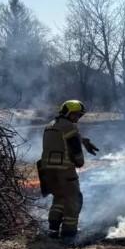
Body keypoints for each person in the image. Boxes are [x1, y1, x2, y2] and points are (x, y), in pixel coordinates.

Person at [38, 100, 99, 239]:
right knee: (74, 199)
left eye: (79, 115)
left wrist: (83, 140)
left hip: (47, 169)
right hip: (64, 170)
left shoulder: (50, 125)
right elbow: (74, 146)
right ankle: (69, 232)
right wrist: (79, 161)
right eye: (76, 114)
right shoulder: (69, 126)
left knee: (59, 197)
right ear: (67, 112)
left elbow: (61, 138)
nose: (77, 118)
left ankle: (53, 229)